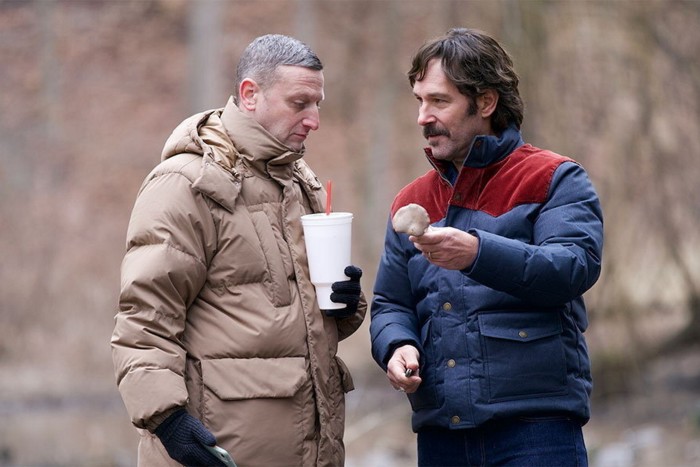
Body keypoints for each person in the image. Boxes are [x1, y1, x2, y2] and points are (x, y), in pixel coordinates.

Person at [111, 34, 366, 467]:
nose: (315, 119)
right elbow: (145, 319)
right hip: (218, 452)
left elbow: (288, 320)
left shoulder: (298, 181)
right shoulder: (185, 184)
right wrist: (167, 421)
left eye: (318, 103)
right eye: (300, 103)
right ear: (250, 95)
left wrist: (343, 305)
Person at [370, 28, 603, 466]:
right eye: (419, 100)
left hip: (537, 430)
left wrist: (478, 253)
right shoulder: (409, 201)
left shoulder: (555, 178)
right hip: (441, 434)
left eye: (439, 101)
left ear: (486, 102)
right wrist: (396, 344)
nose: (423, 116)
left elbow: (572, 268)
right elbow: (389, 303)